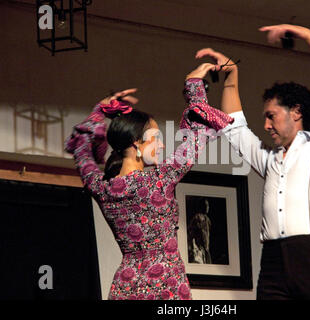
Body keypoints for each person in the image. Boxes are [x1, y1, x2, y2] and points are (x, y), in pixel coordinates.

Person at [196, 24, 310, 300]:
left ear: (296, 112)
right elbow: (234, 129)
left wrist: (308, 36)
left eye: (272, 116)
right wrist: (232, 76)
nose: (266, 125)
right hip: (272, 263)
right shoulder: (269, 159)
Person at [64, 62, 234, 300]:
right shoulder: (159, 179)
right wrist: (194, 85)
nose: (162, 145)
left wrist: (99, 111)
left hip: (126, 285)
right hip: (166, 284)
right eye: (156, 138)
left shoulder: (101, 188)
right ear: (136, 142)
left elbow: (82, 151)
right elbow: (196, 136)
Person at [188, 198, 212, 264]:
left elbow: (207, 233)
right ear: (202, 206)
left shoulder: (207, 219)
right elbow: (191, 232)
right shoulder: (197, 217)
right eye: (206, 205)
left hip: (206, 247)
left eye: (208, 206)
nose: (207, 207)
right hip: (198, 247)